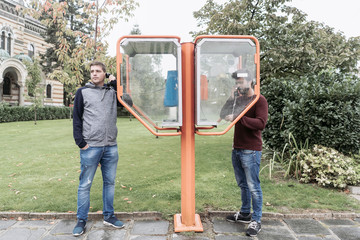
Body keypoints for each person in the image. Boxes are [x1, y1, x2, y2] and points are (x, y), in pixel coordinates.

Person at [72, 61, 123, 236]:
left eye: (98, 71)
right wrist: (81, 143)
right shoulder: (82, 92)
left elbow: (125, 103)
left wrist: (114, 82)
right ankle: (81, 220)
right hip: (90, 146)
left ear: (105, 74)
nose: (94, 74)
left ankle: (109, 216)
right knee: (85, 185)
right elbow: (77, 118)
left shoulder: (112, 92)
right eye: (92, 71)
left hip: (111, 146)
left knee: (109, 183)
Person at [221, 69, 268, 237]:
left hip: (251, 150)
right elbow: (222, 114)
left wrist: (238, 116)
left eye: (241, 82)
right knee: (243, 185)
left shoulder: (259, 100)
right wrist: (231, 97)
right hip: (238, 148)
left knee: (253, 186)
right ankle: (245, 213)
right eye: (237, 82)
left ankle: (256, 220)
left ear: (250, 82)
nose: (239, 85)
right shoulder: (239, 100)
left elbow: (260, 123)